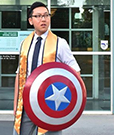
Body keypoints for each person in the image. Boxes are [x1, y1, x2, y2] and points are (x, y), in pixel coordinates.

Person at [13, 2, 81, 135]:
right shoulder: (24, 44)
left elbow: (75, 71)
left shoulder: (60, 43)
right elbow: (20, 74)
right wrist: (15, 104)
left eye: (46, 15)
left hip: (50, 103)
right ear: (31, 21)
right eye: (38, 16)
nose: (43, 19)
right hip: (26, 103)